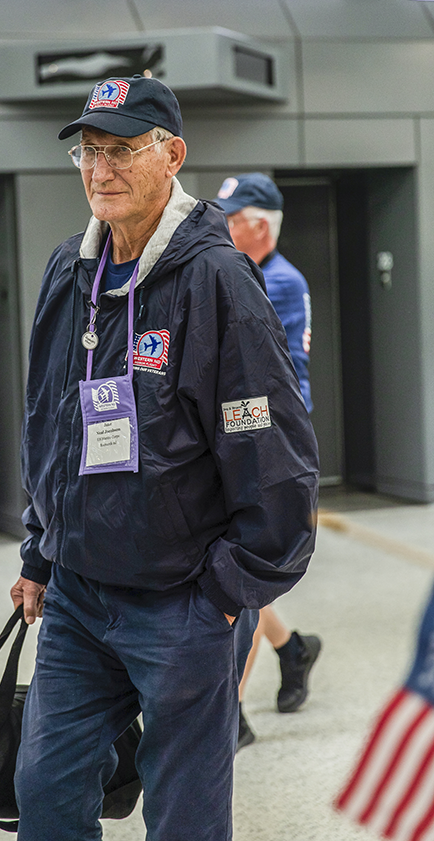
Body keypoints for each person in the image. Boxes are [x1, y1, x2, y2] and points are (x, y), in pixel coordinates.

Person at [10, 75, 319, 841]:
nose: (99, 169)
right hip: (80, 598)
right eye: (88, 150)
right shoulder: (68, 271)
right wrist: (39, 552)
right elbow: (52, 426)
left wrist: (226, 591)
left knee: (182, 816)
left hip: (180, 605)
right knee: (43, 792)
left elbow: (273, 452)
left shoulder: (218, 281)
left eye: (121, 150)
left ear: (172, 155)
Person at [213, 172, 322, 748]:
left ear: (259, 225)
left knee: (243, 580)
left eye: (233, 220)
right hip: (258, 433)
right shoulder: (257, 274)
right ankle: (292, 648)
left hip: (271, 442)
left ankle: (225, 714)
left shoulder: (271, 282)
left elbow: (254, 382)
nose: (224, 230)